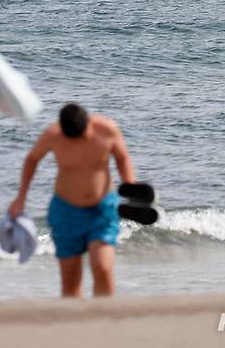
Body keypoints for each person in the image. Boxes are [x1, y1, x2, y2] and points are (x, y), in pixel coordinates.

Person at [8, 103, 135, 298]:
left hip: (102, 210)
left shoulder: (107, 130)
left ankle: (105, 319)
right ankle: (77, 323)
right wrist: (21, 198)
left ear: (89, 124)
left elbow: (122, 157)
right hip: (66, 212)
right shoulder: (53, 135)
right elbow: (32, 159)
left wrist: (130, 186)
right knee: (70, 278)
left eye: (82, 136)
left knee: (103, 268)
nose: (77, 142)